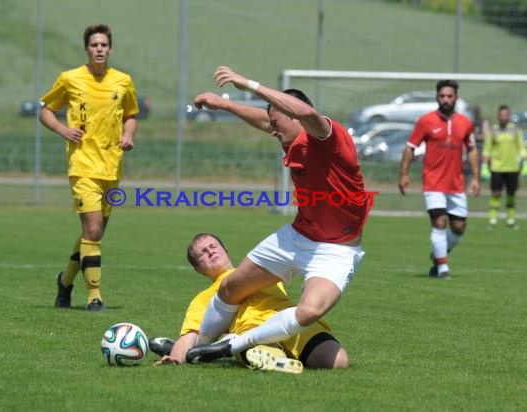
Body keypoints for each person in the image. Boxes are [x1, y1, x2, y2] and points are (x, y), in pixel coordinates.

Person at [182, 66, 370, 364]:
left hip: (336, 250)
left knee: (310, 311)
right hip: (297, 237)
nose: (272, 129)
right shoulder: (290, 137)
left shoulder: (328, 137)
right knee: (231, 288)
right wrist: (225, 104)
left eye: (277, 122)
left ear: (295, 115)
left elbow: (305, 114)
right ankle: (195, 348)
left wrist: (248, 84)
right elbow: (268, 119)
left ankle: (234, 345)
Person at [39, 24, 139, 311]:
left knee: (92, 234)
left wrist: (129, 134)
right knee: (93, 232)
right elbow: (45, 110)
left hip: (112, 167)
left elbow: (131, 114)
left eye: (103, 45)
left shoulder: (123, 81)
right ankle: (94, 296)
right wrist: (63, 130)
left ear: (110, 49)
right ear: (86, 49)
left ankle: (64, 282)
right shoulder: (70, 79)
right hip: (82, 166)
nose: (99, 49)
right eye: (94, 45)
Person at [150, 233, 349, 373]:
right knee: (261, 351)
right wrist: (176, 356)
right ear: (198, 270)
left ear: (225, 250)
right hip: (251, 331)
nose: (210, 252)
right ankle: (267, 354)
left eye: (213, 246)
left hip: (290, 318)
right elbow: (191, 334)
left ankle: (274, 355)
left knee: (338, 361)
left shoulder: (261, 268)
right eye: (202, 253)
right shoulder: (204, 298)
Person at [398, 80, 480, 279]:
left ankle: (438, 254)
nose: (445, 99)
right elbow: (410, 147)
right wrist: (404, 174)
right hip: (433, 183)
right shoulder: (426, 121)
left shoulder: (465, 123)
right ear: (437, 97)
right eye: (442, 96)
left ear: (456, 98)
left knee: (459, 228)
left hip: (456, 184)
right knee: (440, 222)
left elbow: (472, 149)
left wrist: (476, 177)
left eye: (449, 96)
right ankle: (443, 268)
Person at [483, 105, 527, 229]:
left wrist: (525, 162)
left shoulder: (515, 130)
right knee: (496, 193)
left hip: (512, 168)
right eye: (502, 115)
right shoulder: (493, 130)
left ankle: (511, 220)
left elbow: (521, 148)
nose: (504, 117)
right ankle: (492, 220)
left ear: (509, 116)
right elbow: (487, 149)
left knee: (511, 193)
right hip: (497, 168)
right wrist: (485, 166)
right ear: (498, 116)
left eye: (506, 115)